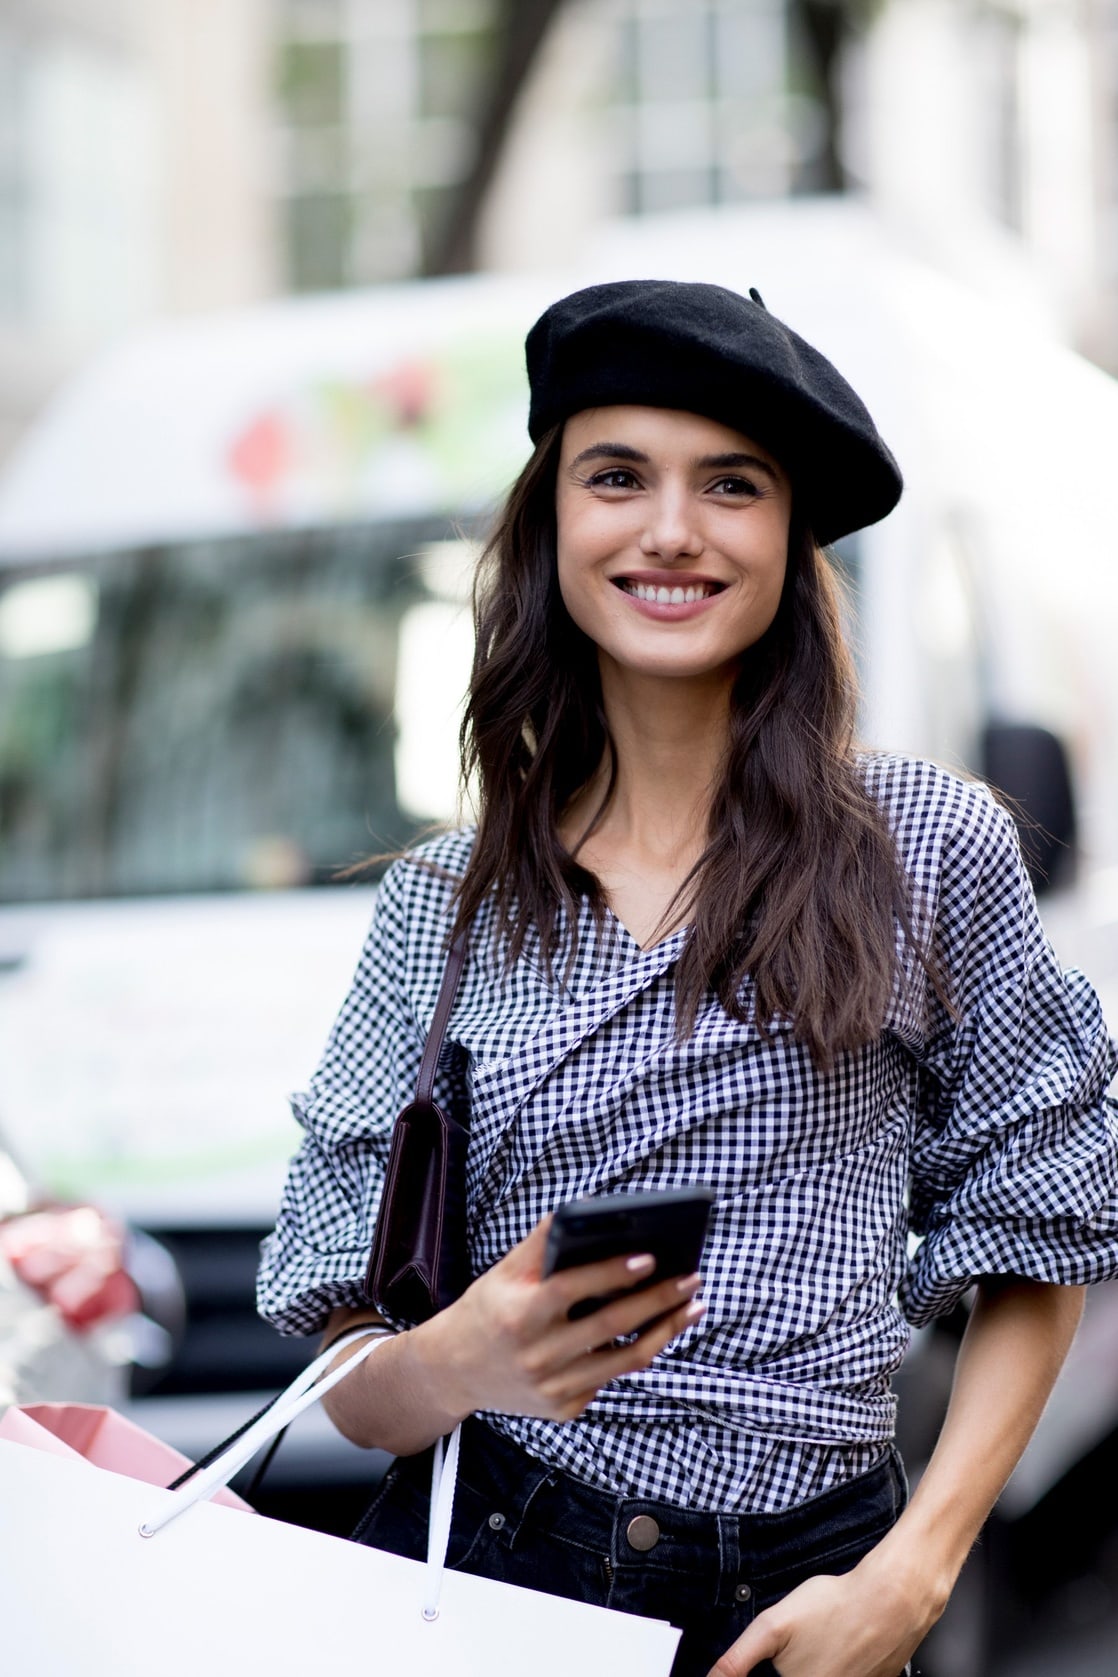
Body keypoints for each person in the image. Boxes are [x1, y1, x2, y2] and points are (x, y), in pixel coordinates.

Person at [257, 279, 1118, 1677]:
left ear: (787, 536)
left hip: (810, 1594)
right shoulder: (441, 904)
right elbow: (349, 1374)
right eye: (616, 477)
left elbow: (1041, 1232)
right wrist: (460, 1358)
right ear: (552, 524)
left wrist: (912, 1572)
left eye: (730, 484)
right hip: (501, 1573)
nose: (670, 528)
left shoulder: (925, 842)